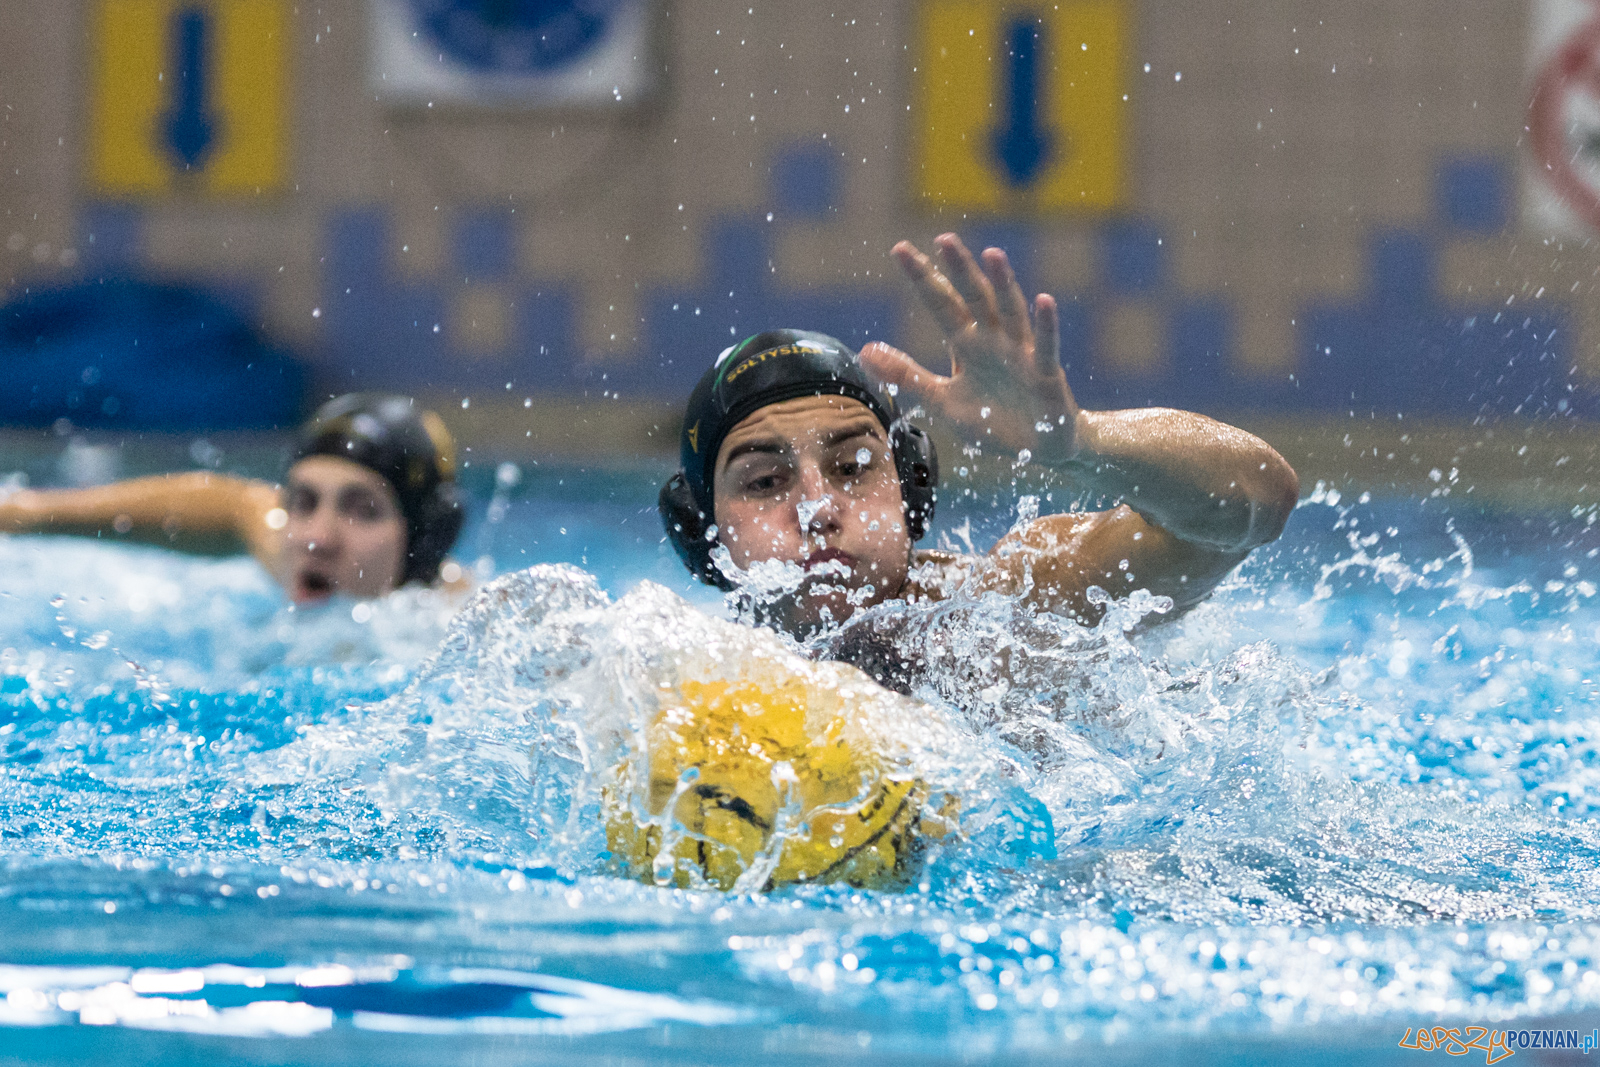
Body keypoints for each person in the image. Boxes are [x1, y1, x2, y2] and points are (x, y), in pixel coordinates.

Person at [659, 233, 1300, 646]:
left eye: (853, 466)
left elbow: (1258, 500)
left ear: (910, 490)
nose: (819, 507)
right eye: (766, 482)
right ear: (703, 532)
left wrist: (1080, 442)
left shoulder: (1010, 613)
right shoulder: (673, 684)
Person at [0, 393, 465, 605]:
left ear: (425, 540)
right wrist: (24, 512)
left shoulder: (454, 626)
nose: (317, 539)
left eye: (362, 510)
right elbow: (238, 505)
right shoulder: (298, 554)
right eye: (303, 502)